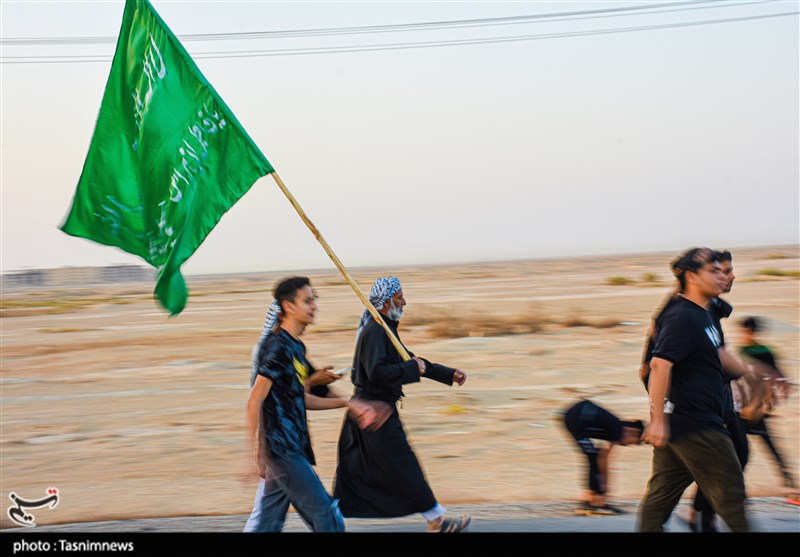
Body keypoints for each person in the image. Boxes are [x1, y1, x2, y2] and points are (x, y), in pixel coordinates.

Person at [241, 276, 390, 533]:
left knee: (266, 524)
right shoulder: (277, 347)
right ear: (289, 306)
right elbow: (255, 400)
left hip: (292, 448)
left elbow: (299, 398)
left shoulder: (296, 347)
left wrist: (347, 402)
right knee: (327, 517)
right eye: (307, 300)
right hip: (283, 450)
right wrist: (248, 454)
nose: (314, 306)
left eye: (314, 300)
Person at [332, 276, 472, 533]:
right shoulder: (376, 330)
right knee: (403, 465)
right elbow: (376, 372)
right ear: (386, 303)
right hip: (375, 413)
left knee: (357, 473)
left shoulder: (384, 327)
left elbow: (409, 359)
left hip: (372, 410)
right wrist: (412, 368)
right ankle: (437, 522)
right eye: (400, 298)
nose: (404, 302)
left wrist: (447, 373)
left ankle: (325, 517)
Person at [637, 247, 750, 533]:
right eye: (714, 271)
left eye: (723, 270)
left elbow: (717, 356)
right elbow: (659, 365)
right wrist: (658, 419)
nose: (723, 276)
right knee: (732, 497)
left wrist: (752, 375)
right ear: (692, 277)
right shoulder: (682, 316)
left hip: (685, 424)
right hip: (697, 423)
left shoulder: (706, 314)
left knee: (659, 499)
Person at [736, 316, 799, 504]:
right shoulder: (750, 351)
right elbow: (779, 378)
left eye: (747, 331)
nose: (746, 335)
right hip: (744, 411)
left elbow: (776, 377)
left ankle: (791, 489)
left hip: (754, 411)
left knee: (765, 451)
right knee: (742, 453)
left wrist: (772, 397)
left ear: (752, 332)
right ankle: (790, 489)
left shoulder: (754, 352)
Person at [561, 399, 644, 515]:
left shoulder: (614, 427)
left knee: (592, 456)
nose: (629, 445)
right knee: (593, 457)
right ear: (633, 431)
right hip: (576, 417)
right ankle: (596, 503)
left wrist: (602, 482)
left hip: (575, 416)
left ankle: (589, 500)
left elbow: (602, 455)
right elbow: (604, 458)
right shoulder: (617, 429)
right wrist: (604, 486)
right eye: (633, 443)